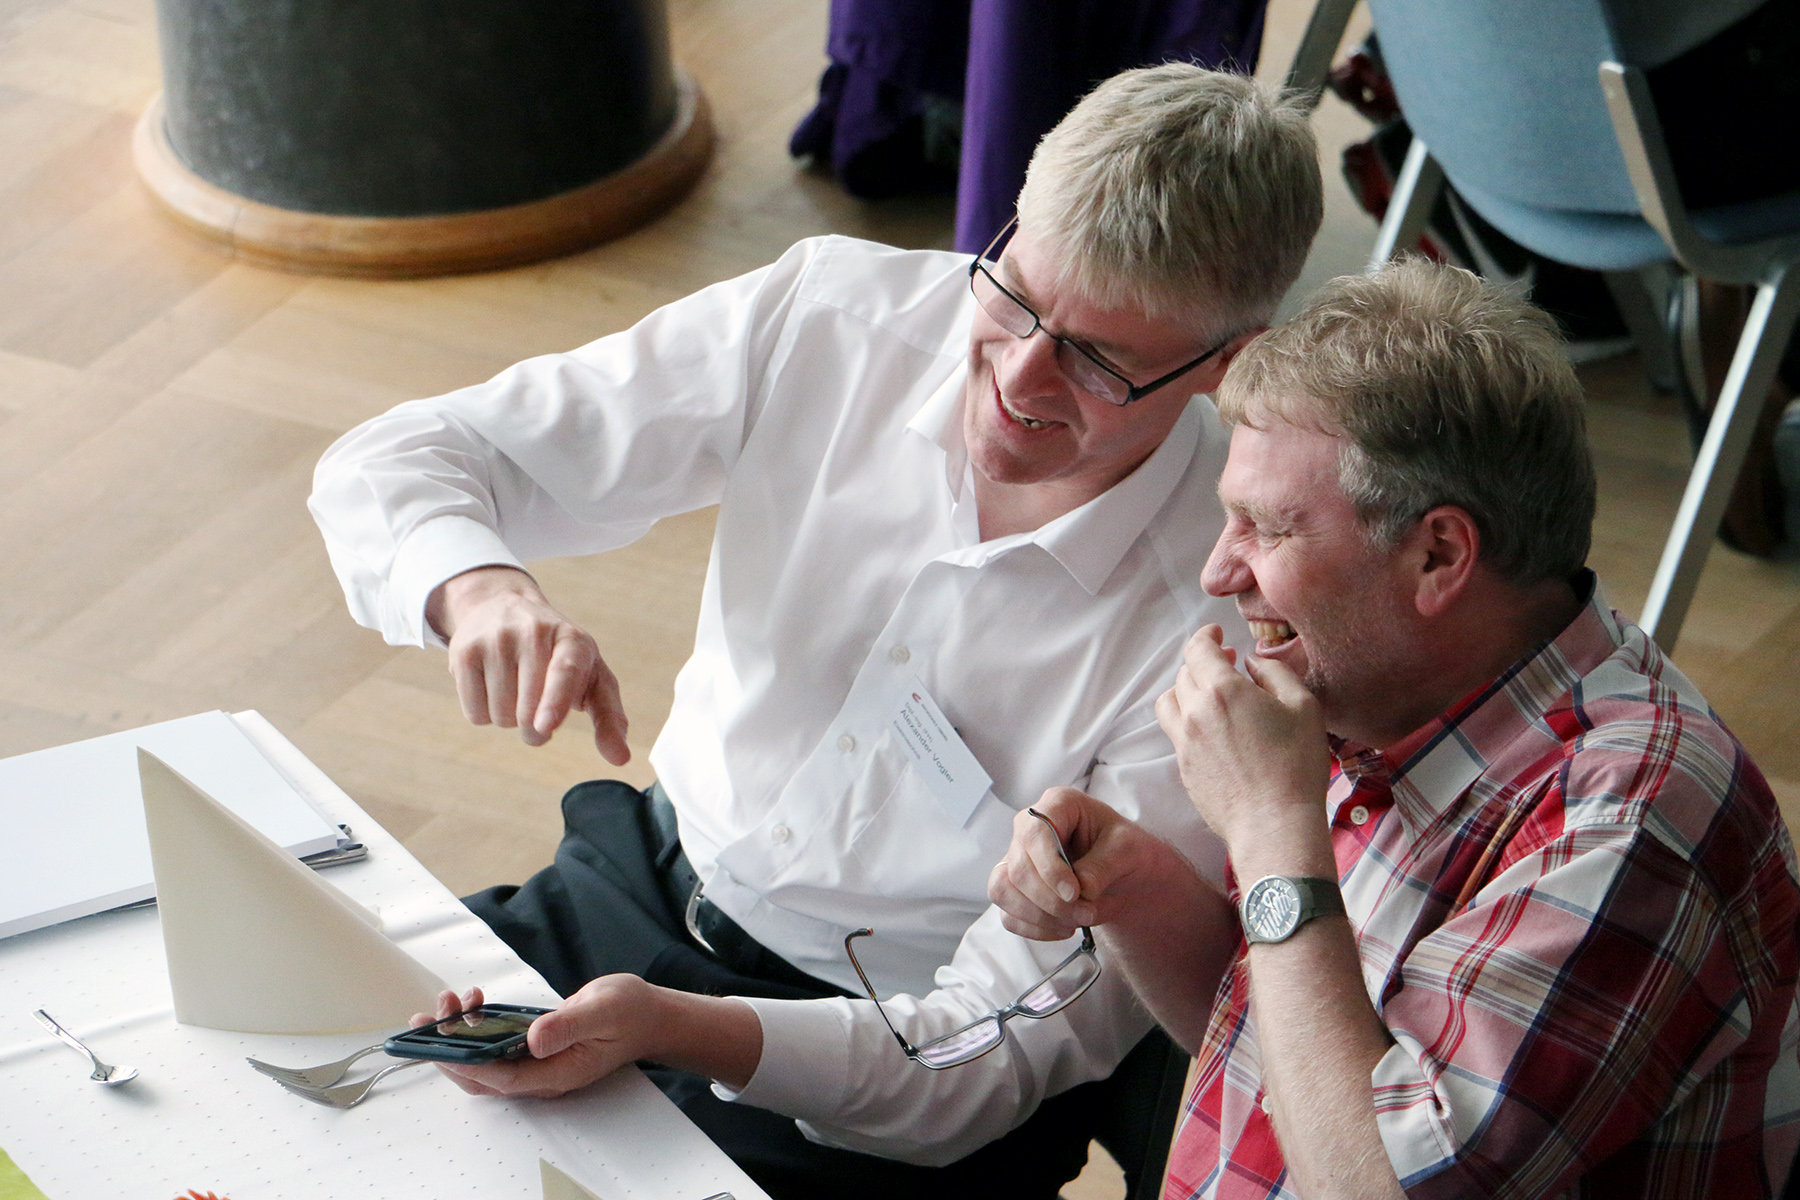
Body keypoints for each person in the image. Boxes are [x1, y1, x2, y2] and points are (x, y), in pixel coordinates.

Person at [308, 64, 1324, 1199]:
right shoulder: (835, 316)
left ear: (1229, 362)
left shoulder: (1225, 624)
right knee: (284, 1087)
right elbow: (395, 460)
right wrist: (480, 587)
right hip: (629, 890)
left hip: (867, 1084)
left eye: (1099, 360)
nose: (1020, 379)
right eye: (1017, 295)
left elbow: (978, 1057)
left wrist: (678, 1030)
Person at [989, 258, 1800, 1198]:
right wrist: (1132, 890)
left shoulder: (1632, 819)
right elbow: (1298, 1029)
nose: (1219, 572)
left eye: (1266, 528)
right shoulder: (1381, 688)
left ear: (1438, 554)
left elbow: (1376, 1185)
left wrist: (1269, 828)